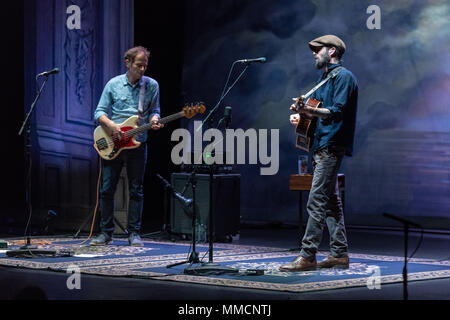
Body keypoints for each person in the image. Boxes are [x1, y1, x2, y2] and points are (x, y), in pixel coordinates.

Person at [280, 35, 358, 271]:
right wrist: (302, 118)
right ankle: (339, 254)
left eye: (318, 49)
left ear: (332, 51)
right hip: (321, 145)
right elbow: (317, 114)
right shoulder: (324, 78)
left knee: (316, 200)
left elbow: (336, 112)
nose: (314, 53)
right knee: (331, 201)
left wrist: (309, 111)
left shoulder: (343, 76)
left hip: (331, 145)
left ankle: (308, 255)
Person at [90, 46, 163, 246]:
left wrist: (155, 119)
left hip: (138, 143)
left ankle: (134, 233)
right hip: (113, 141)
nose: (142, 70)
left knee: (136, 189)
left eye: (145, 66)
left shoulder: (151, 85)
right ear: (128, 63)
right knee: (106, 189)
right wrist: (113, 126)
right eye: (138, 65)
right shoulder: (113, 84)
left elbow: (154, 110)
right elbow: (99, 112)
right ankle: (105, 233)